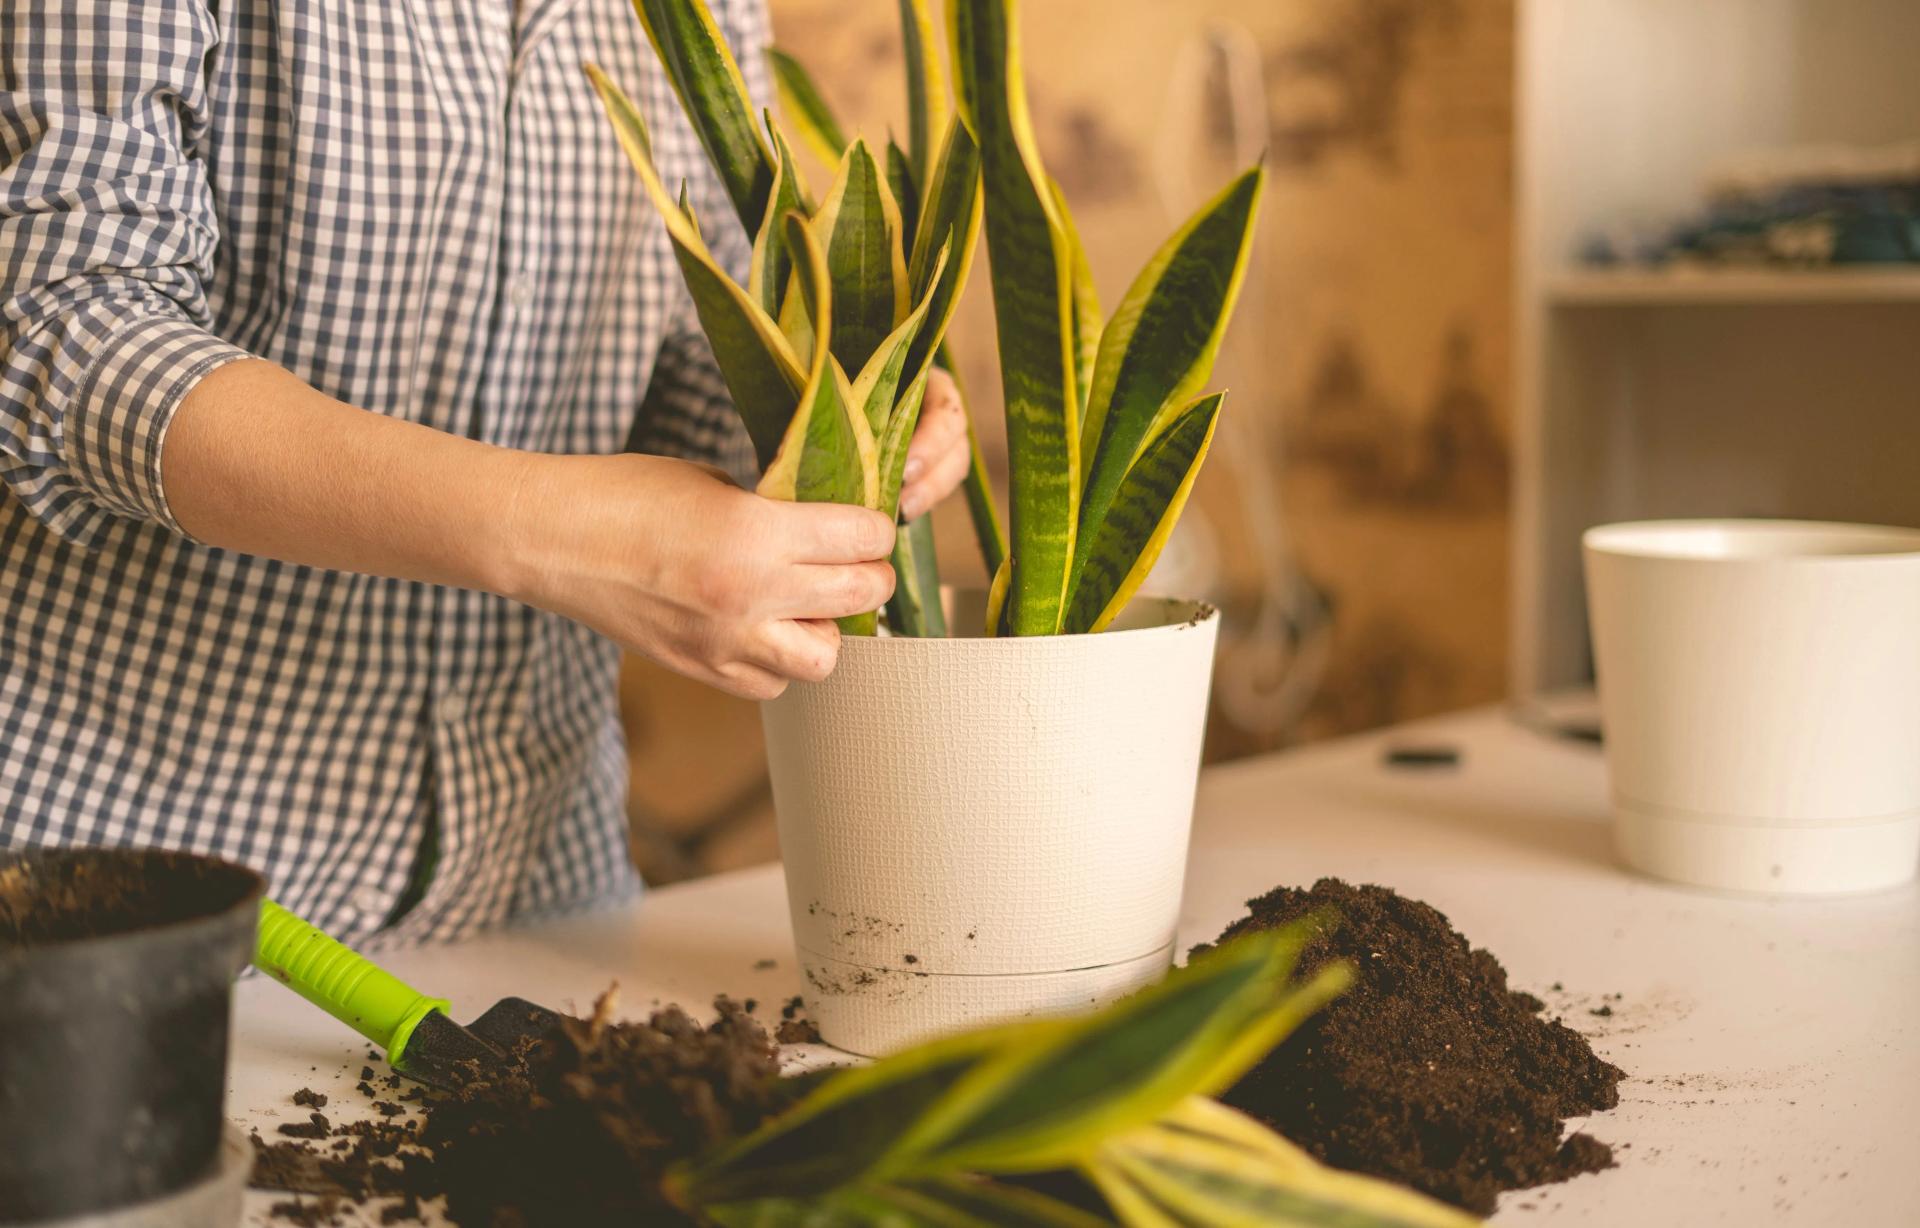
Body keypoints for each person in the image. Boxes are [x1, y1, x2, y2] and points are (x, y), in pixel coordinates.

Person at [0, 0, 972, 942]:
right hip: (124, 883)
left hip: (544, 883)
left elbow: (694, 333)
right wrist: (566, 535)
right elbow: (68, 331)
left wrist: (841, 415)